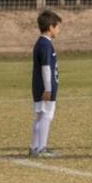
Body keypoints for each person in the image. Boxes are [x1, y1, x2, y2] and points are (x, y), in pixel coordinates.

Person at [30, 10, 62, 157]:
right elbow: (46, 68)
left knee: (39, 116)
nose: (59, 30)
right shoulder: (45, 45)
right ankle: (41, 148)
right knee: (47, 116)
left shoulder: (40, 43)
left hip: (39, 86)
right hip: (45, 87)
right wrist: (48, 89)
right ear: (50, 27)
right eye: (58, 27)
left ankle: (34, 147)